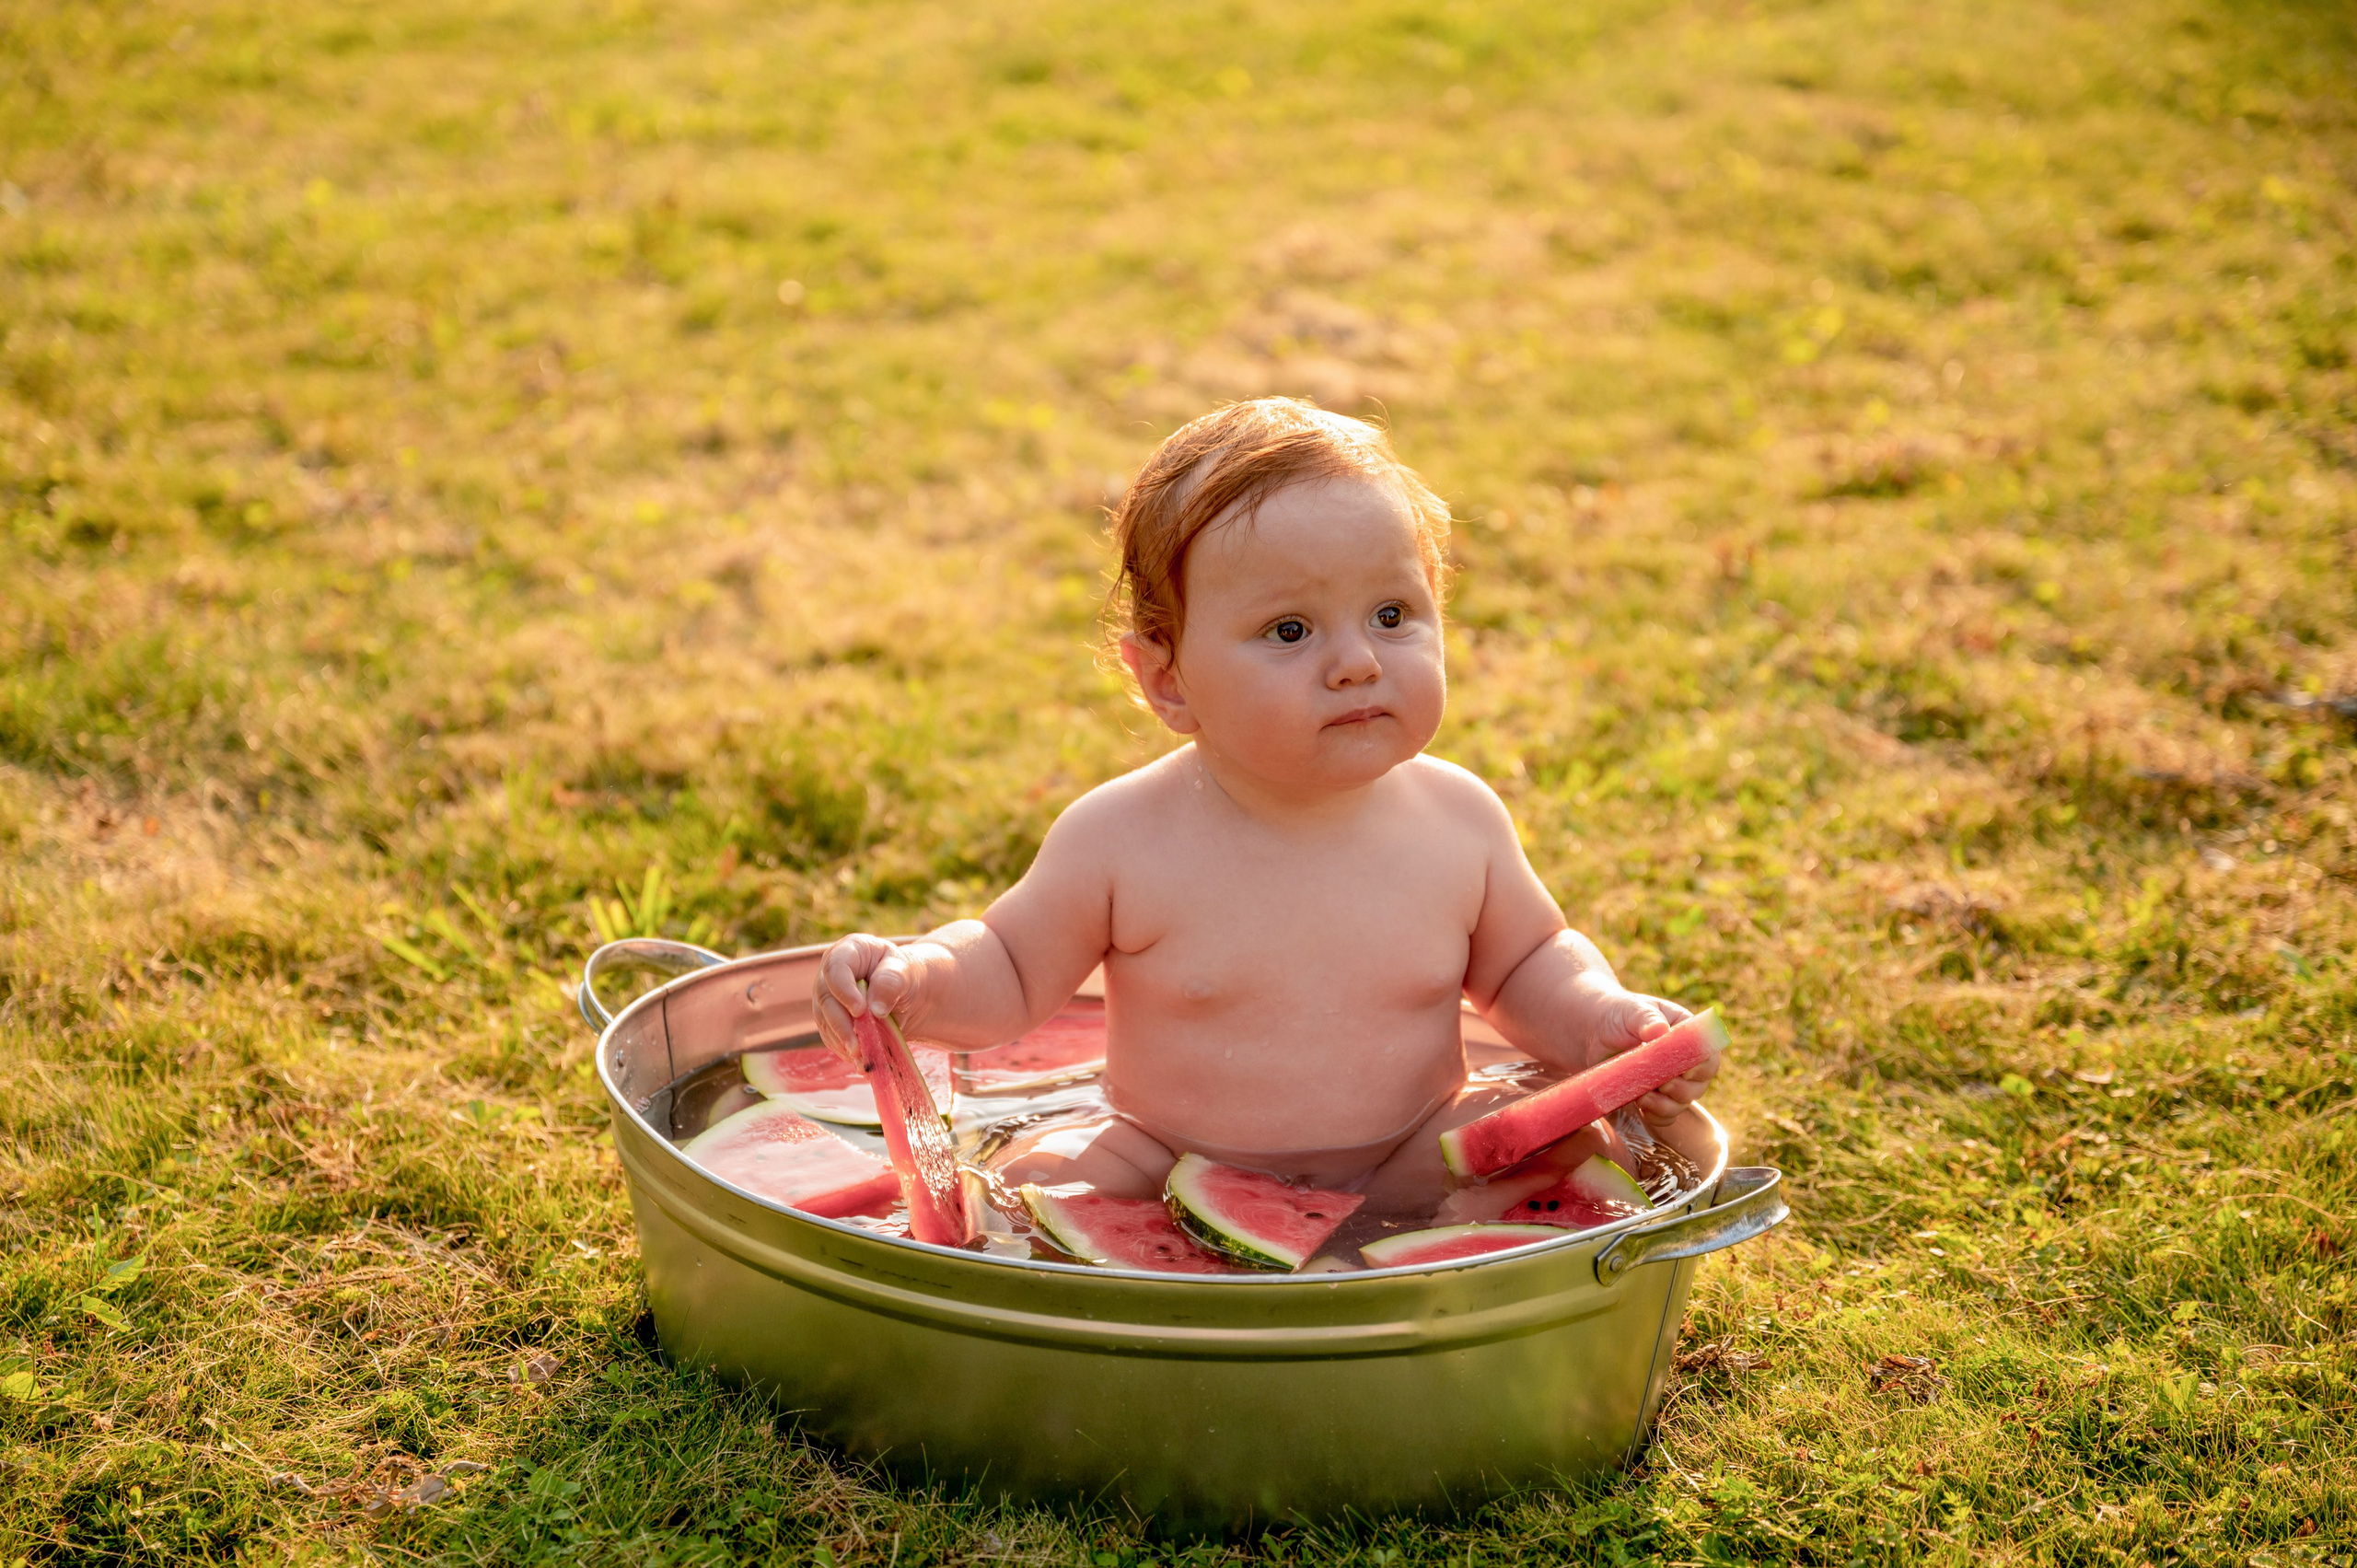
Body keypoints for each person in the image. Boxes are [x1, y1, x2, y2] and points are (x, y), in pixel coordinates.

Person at [812, 398, 1713, 1213]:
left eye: (1393, 613)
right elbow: (1007, 968)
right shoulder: (1121, 839)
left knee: (1557, 1141)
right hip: (1166, 1156)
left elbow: (1526, 966)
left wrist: (1598, 1014)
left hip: (1413, 1147)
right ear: (1167, 679)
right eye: (1290, 630)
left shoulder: (1458, 821)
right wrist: (918, 977)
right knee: (1036, 1186)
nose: (1357, 659)